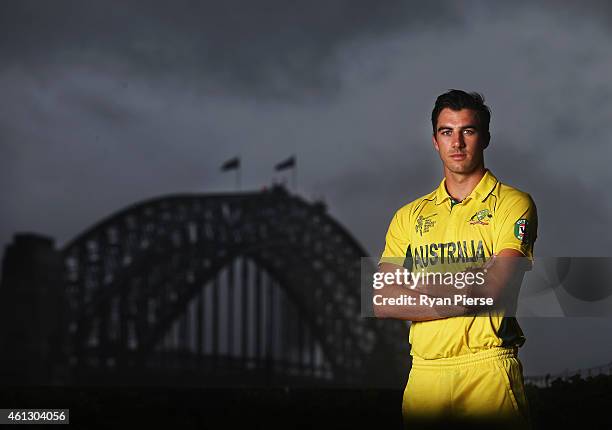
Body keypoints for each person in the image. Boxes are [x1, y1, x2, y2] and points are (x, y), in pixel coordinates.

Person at [374, 90, 537, 429]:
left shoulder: (512, 203)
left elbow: (490, 291)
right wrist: (465, 287)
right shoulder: (408, 216)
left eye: (468, 131)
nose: (457, 142)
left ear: (486, 138)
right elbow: (383, 300)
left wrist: (412, 283)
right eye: (447, 131)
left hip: (487, 370)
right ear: (435, 141)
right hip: (424, 375)